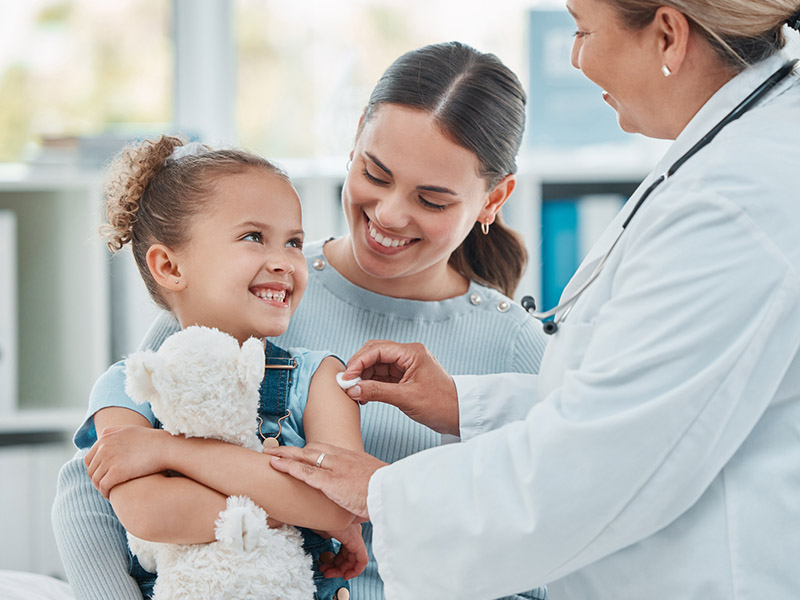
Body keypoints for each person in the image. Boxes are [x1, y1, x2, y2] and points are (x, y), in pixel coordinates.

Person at [265, 1, 800, 598]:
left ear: (669, 35)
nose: (575, 55)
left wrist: (381, 492)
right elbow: (631, 407)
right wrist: (462, 403)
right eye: (378, 172)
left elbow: (597, 464)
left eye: (582, 28)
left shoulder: (735, 201)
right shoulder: (733, 162)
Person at [52, 43, 549, 600]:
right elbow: (92, 485)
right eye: (375, 173)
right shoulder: (249, 294)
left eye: (431, 201)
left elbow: (543, 545)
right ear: (358, 135)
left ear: (494, 198)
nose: (388, 214)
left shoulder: (515, 349)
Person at [52, 135, 365, 600]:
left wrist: (168, 452)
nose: (284, 262)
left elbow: (340, 503)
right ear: (170, 266)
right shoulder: (126, 387)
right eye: (254, 237)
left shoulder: (322, 379)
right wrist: (293, 507)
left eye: (294, 242)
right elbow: (149, 514)